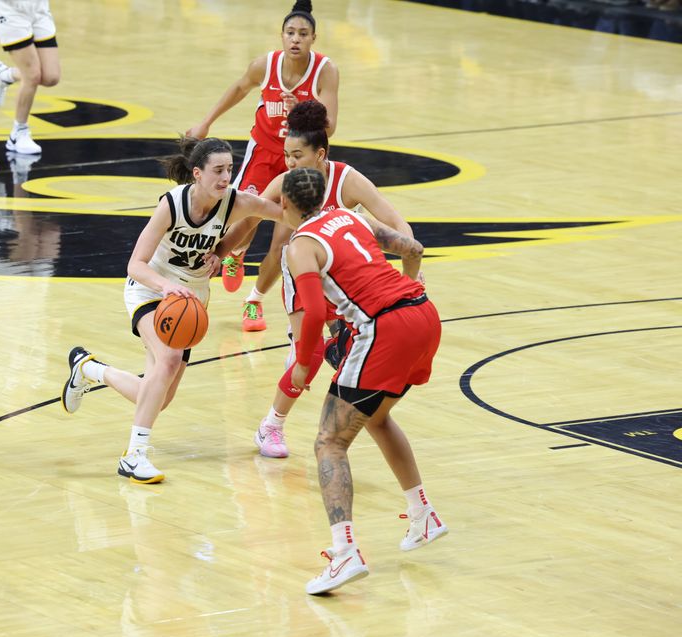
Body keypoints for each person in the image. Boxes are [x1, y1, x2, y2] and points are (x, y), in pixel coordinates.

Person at [60, 137, 283, 484]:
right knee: (168, 361)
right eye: (218, 171)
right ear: (197, 173)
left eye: (229, 170)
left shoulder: (234, 202)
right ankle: (134, 456)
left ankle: (89, 371)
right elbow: (135, 264)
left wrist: (223, 250)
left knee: (158, 397)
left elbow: (272, 213)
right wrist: (166, 286)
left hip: (190, 301)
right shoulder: (172, 205)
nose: (226, 177)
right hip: (151, 289)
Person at [278, 168, 447, 595]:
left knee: (328, 442)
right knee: (376, 417)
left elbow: (314, 314)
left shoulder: (301, 246)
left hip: (385, 331)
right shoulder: (350, 216)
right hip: (424, 315)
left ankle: (345, 553)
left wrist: (302, 365)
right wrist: (408, 285)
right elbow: (413, 246)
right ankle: (423, 515)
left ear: (286, 206)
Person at [214, 100, 415, 459]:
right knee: (306, 354)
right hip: (304, 271)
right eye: (286, 155)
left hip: (347, 280)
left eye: (297, 156)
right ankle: (271, 426)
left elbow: (397, 224)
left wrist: (411, 265)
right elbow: (250, 218)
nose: (289, 163)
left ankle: (353, 421)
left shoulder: (348, 179)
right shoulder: (285, 181)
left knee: (352, 356)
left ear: (320, 154)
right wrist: (224, 251)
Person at [186, 0, 339, 331]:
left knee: (283, 243)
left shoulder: (326, 70)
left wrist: (303, 110)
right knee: (248, 215)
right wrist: (205, 123)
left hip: (299, 162)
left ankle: (253, 300)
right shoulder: (264, 65)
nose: (295, 39)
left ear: (314, 38)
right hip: (264, 152)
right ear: (281, 35)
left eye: (303, 34)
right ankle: (237, 254)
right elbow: (239, 88)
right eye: (290, 33)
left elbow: (331, 127)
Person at [0, 0, 61, 154]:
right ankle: (18, 133)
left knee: (51, 77)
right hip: (11, 11)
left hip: (38, 9)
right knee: (32, 76)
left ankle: (3, 75)